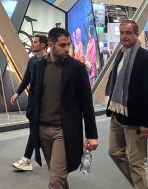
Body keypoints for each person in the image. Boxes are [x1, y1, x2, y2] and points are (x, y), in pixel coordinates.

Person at [27, 27, 98, 188]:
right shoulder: (39, 66)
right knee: (57, 175)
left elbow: (87, 103)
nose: (66, 49)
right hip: (42, 129)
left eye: (68, 44)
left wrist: (92, 135)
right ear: (50, 45)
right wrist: (31, 115)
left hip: (64, 131)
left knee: (56, 178)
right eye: (62, 45)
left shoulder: (77, 68)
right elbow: (33, 93)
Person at [105, 19, 148, 189]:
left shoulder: (145, 58)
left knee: (137, 162)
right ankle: (143, 185)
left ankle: (142, 185)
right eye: (122, 33)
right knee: (114, 152)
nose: (124, 36)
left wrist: (147, 123)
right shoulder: (120, 55)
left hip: (135, 118)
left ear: (136, 34)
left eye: (128, 33)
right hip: (117, 114)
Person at [10, 34, 48, 172]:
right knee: (35, 130)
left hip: (45, 104)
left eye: (35, 42)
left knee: (36, 130)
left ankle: (27, 159)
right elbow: (26, 79)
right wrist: (17, 93)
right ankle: (28, 159)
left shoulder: (49, 62)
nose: (32, 44)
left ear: (43, 45)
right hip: (33, 102)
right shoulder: (32, 60)